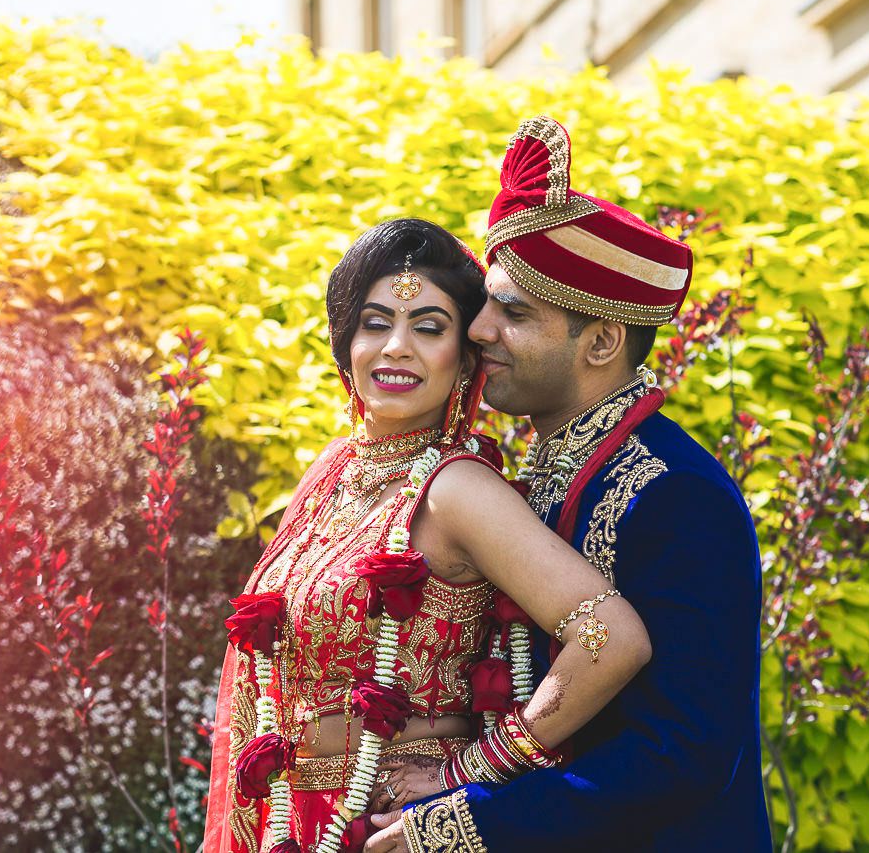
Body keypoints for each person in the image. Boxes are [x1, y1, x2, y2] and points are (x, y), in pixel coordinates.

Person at [364, 117, 770, 851]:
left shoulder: (677, 494)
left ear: (603, 341)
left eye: (514, 312)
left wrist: (467, 820)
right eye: (486, 302)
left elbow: (686, 751)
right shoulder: (541, 471)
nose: (478, 330)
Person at [203, 216, 655, 853]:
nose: (395, 348)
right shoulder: (333, 469)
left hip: (388, 821)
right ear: (346, 343)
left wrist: (470, 771)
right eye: (376, 323)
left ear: (466, 355)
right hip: (290, 815)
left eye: (429, 328)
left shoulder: (458, 490)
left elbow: (610, 639)